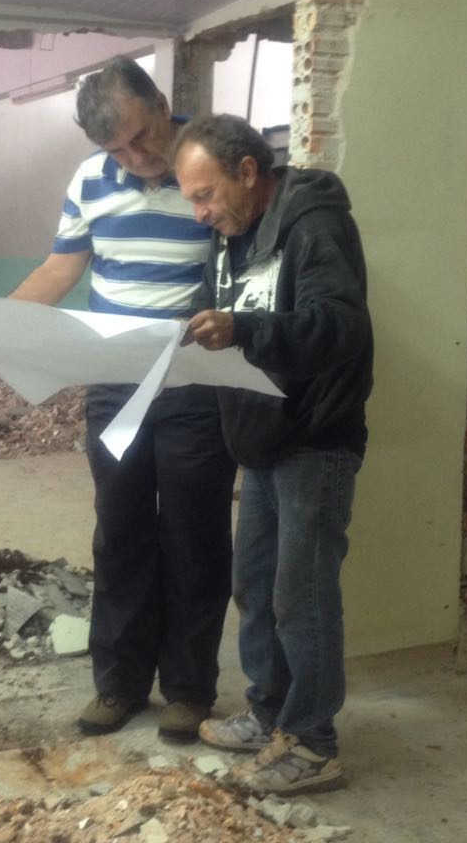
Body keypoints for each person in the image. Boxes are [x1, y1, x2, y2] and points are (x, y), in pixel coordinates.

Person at [11, 56, 237, 743]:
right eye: (117, 150)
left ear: (162, 103)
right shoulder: (90, 180)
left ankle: (189, 690)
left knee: (194, 535)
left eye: (141, 137)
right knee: (120, 531)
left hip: (195, 380)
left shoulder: (209, 165)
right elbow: (60, 267)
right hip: (115, 384)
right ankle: (119, 683)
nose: (136, 159)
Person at [175, 113, 373, 795]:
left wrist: (242, 328)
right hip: (260, 439)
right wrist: (180, 327)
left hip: (314, 440)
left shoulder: (313, 224)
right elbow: (211, 306)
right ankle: (270, 715)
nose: (200, 213)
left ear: (248, 172)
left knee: (302, 598)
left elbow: (340, 327)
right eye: (192, 200)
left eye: (205, 195)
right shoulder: (229, 238)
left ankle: (314, 744)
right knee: (256, 587)